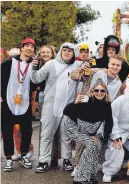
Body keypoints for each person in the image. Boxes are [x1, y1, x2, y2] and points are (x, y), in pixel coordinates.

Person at [31, 42, 83, 173]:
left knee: (66, 135)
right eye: (64, 50)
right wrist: (34, 68)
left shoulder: (78, 65)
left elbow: (86, 78)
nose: (66, 52)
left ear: (74, 53)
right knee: (46, 134)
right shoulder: (51, 64)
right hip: (51, 105)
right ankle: (43, 161)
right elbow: (36, 79)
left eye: (70, 51)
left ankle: (66, 159)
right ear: (60, 51)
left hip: (69, 107)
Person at [62, 79, 115, 184]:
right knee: (91, 145)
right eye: (96, 90)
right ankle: (80, 178)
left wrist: (101, 137)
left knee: (97, 144)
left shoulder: (107, 104)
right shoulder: (86, 100)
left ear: (106, 92)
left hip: (87, 130)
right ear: (92, 92)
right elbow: (66, 111)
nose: (99, 93)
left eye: (102, 91)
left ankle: (90, 175)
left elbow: (109, 122)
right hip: (72, 126)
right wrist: (75, 103)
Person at [1, 38, 38, 172]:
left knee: (27, 131)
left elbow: (35, 83)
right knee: (7, 130)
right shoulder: (8, 63)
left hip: (25, 102)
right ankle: (9, 158)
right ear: (21, 48)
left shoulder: (34, 65)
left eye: (32, 47)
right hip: (8, 102)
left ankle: (23, 155)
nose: (29, 48)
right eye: (27, 46)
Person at [101, 78, 129, 182]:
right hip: (119, 131)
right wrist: (115, 136)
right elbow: (111, 118)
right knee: (116, 148)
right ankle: (108, 172)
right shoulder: (120, 100)